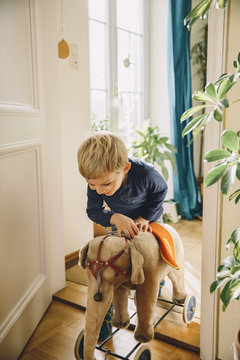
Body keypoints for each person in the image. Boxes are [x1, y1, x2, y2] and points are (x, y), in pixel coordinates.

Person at [77, 132, 168, 238]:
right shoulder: (97, 181)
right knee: (124, 251)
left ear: (125, 168)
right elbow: (93, 211)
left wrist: (144, 218)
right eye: (91, 184)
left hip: (150, 218)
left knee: (154, 249)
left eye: (106, 184)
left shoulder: (145, 173)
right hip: (121, 222)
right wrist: (115, 218)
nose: (99, 191)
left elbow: (161, 189)